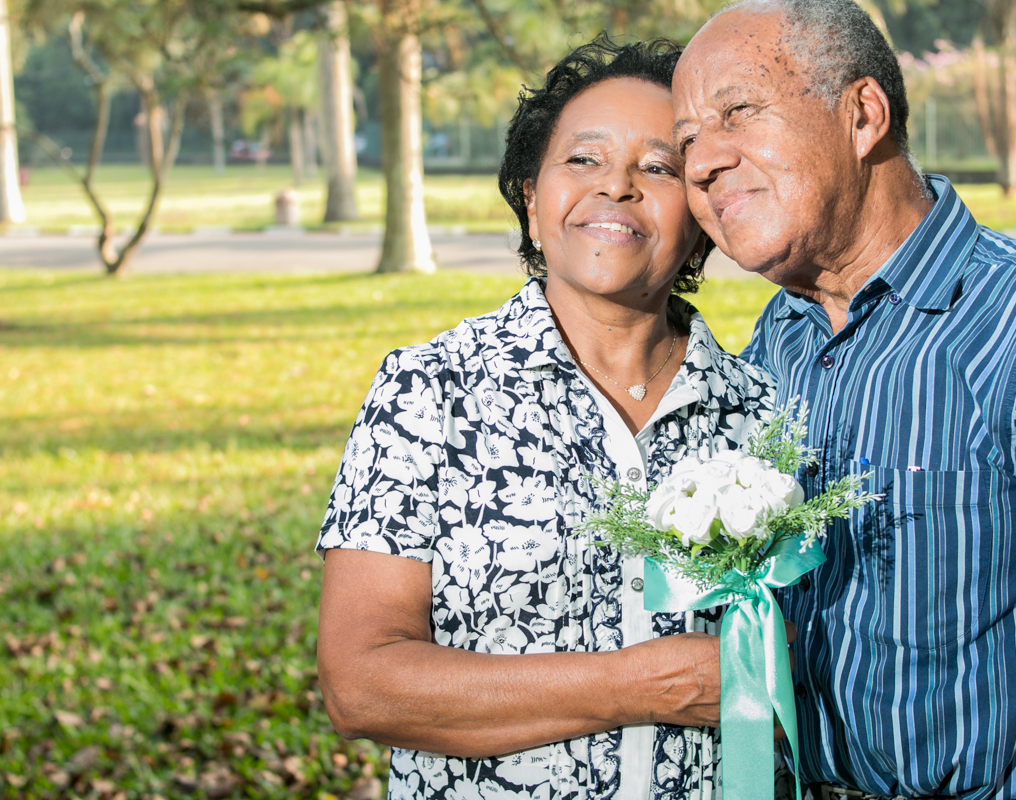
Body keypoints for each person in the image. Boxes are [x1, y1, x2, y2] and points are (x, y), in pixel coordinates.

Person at [672, 2, 1016, 799]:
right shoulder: (779, 339)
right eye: (688, 138)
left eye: (737, 112)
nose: (701, 163)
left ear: (863, 114)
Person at [316, 35, 775, 799]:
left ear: (700, 214)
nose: (617, 188)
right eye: (583, 160)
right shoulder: (430, 392)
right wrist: (636, 685)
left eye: (659, 167)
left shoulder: (760, 410)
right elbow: (361, 684)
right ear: (532, 200)